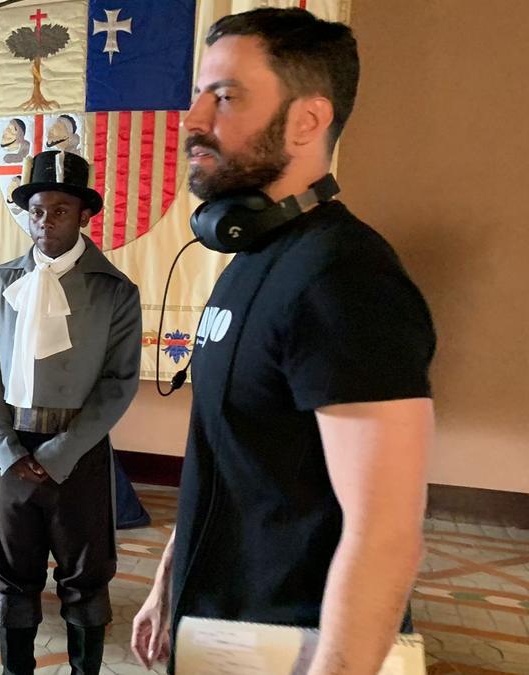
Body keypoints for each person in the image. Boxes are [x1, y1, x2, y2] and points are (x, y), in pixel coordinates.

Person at [130, 9, 436, 675]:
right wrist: (170, 580)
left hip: (296, 649)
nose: (192, 119)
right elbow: (229, 454)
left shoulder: (346, 277)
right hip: (222, 632)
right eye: (200, 94)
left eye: (227, 96)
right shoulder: (251, 260)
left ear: (306, 119)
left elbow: (385, 535)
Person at [0, 149, 146, 674]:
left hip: (79, 451)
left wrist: (62, 453)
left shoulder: (114, 291)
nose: (46, 222)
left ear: (85, 215)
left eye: (60, 211)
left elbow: (119, 382)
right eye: (38, 210)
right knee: (13, 574)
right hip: (13, 450)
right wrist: (5, 448)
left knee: (85, 576)